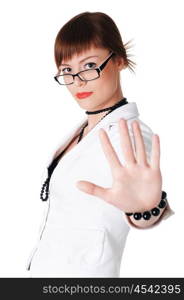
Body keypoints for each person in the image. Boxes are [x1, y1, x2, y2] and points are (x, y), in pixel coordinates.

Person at [26, 11, 174, 277]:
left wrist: (146, 208)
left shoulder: (129, 134)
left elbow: (144, 198)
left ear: (118, 60)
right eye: (67, 70)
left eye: (90, 66)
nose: (78, 80)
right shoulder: (83, 130)